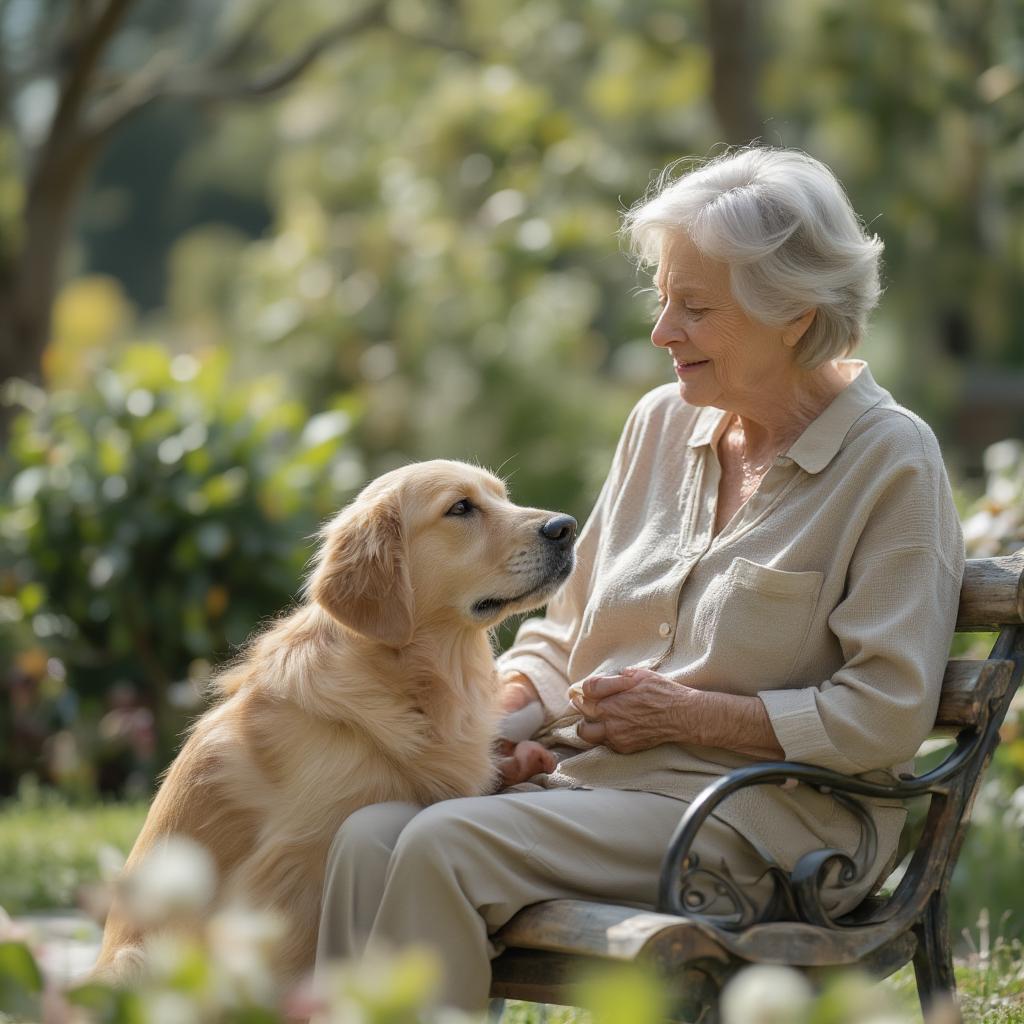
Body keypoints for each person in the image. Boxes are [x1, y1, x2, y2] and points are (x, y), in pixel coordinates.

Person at [314, 147, 965, 1012]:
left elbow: (883, 715)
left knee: (444, 845)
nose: (663, 332)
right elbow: (564, 630)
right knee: (366, 837)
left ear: (796, 317)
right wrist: (500, 722)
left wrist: (693, 714)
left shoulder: (892, 461)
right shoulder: (661, 424)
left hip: (758, 822)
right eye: (663, 299)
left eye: (694, 308)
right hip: (596, 789)